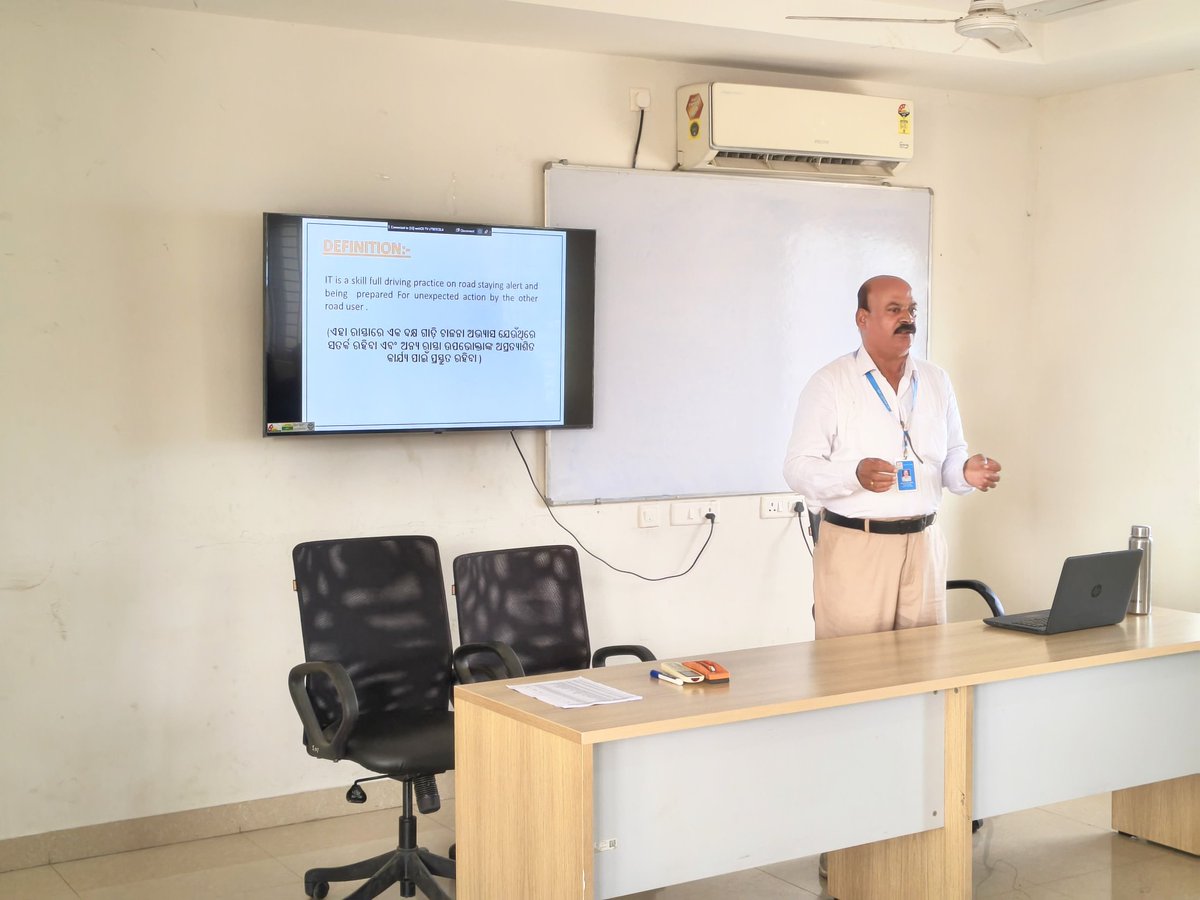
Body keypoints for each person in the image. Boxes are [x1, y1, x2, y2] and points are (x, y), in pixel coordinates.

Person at [783, 275, 1001, 640]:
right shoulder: (830, 383)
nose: (908, 319)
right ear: (862, 319)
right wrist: (854, 474)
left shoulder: (935, 380)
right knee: (852, 672)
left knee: (924, 668)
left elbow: (948, 459)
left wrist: (965, 472)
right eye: (894, 310)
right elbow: (797, 468)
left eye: (911, 309)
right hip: (858, 546)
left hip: (924, 544)